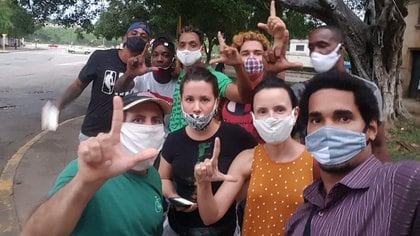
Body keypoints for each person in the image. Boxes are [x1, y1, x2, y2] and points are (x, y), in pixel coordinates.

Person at [285, 70, 420, 235]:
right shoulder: (300, 218)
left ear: (371, 130)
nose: (328, 129)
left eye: (343, 118)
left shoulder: (402, 185)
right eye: (316, 120)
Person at [22, 93, 171, 236]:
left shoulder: (153, 176)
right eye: (138, 120)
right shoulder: (83, 172)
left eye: (156, 121)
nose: (149, 128)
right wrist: (84, 183)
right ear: (120, 127)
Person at [194, 77, 316, 235]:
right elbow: (211, 216)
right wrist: (203, 185)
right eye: (262, 111)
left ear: (295, 113)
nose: (271, 118)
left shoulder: (314, 162)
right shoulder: (247, 159)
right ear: (253, 117)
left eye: (279, 109)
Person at [159, 66, 257, 235]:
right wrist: (174, 197)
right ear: (180, 101)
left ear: (216, 102)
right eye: (189, 99)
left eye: (204, 99)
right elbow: (163, 177)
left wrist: (238, 191)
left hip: (224, 229)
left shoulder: (237, 137)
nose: (197, 108)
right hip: (177, 228)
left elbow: (259, 165)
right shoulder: (174, 139)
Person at [291, 25, 390, 161]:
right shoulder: (299, 92)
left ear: (341, 49)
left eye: (322, 45)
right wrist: (271, 72)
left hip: (356, 174)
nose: (315, 52)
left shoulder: (368, 90)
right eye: (311, 48)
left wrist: (385, 178)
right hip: (312, 172)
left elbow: (378, 145)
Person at [42, 22, 151, 141]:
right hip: (93, 133)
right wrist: (58, 106)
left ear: (147, 43)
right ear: (125, 37)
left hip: (127, 137)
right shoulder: (101, 57)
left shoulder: (147, 68)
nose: (138, 37)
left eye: (143, 36)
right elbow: (78, 85)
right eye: (134, 33)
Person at [169, 25, 254, 132]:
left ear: (202, 49)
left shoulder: (214, 77)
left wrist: (238, 66)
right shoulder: (176, 75)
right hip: (173, 141)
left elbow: (245, 97)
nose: (187, 50)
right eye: (182, 45)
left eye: (193, 45)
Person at [115, 36, 177, 104]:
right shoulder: (142, 76)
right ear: (151, 57)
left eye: (165, 55)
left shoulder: (179, 83)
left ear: (173, 58)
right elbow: (119, 89)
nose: (159, 59)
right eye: (155, 55)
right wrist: (129, 75)